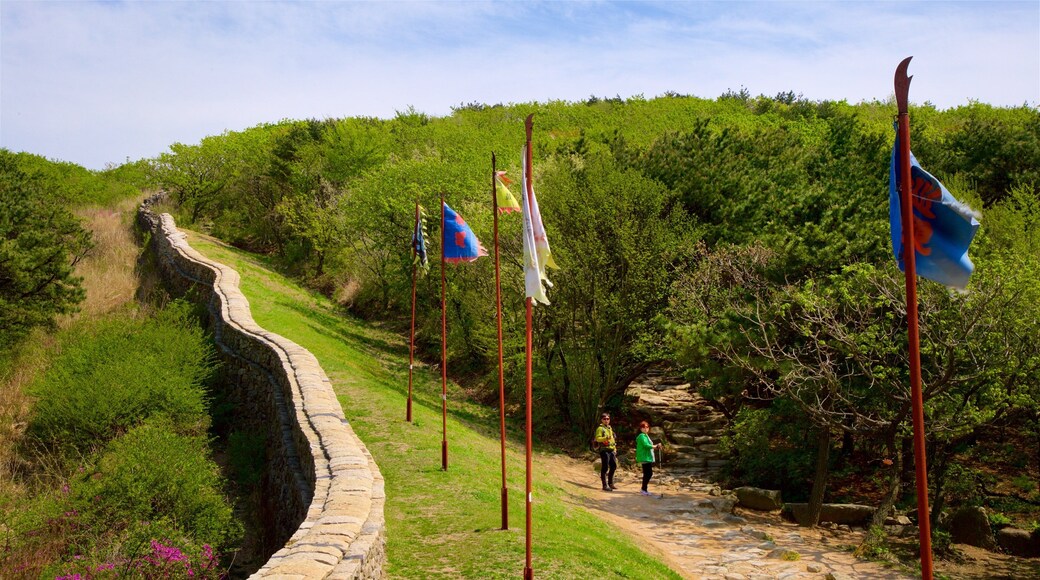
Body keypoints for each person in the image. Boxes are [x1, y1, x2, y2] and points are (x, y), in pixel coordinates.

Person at [635, 420, 662, 496]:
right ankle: (643, 489)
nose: (645, 428)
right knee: (648, 473)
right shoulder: (641, 436)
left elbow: (649, 445)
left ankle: (644, 489)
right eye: (643, 427)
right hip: (644, 457)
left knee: (648, 473)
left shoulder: (646, 436)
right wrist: (655, 446)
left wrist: (656, 446)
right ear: (641, 429)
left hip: (647, 457)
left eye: (647, 427)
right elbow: (646, 445)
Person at [594, 413, 617, 491]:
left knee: (613, 466)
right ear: (601, 420)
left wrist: (615, 449)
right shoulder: (600, 429)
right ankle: (604, 485)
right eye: (604, 419)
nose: (606, 420)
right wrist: (606, 438)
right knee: (605, 467)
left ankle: (610, 483)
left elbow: (612, 439)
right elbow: (598, 439)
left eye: (608, 419)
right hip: (604, 450)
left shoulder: (609, 428)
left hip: (611, 450)